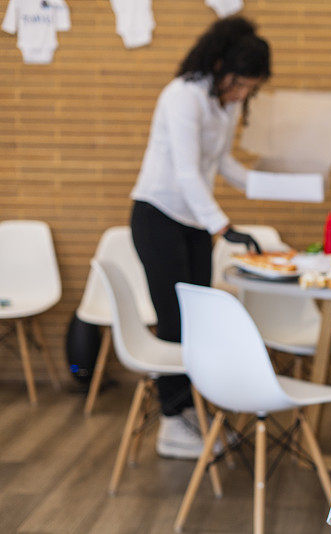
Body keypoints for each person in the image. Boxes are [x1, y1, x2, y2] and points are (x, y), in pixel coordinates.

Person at [129, 16, 269, 459]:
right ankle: (172, 422)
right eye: (239, 84)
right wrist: (224, 227)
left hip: (193, 224)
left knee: (196, 321)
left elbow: (222, 163)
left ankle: (188, 411)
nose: (242, 95)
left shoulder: (223, 105)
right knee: (173, 320)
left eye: (250, 88)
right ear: (218, 65)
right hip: (158, 215)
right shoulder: (183, 96)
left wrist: (272, 184)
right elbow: (189, 173)